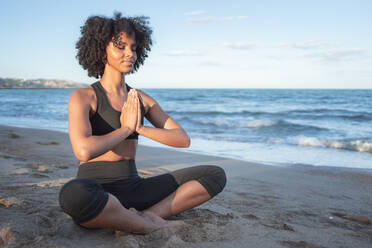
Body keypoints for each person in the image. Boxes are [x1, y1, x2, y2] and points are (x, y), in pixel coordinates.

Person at [58, 12, 226, 234]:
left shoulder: (140, 99)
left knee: (215, 175)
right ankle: (145, 225)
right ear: (101, 50)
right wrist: (125, 129)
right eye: (121, 46)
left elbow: (182, 139)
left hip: (134, 189)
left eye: (134, 47)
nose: (130, 54)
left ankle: (147, 216)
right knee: (72, 194)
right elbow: (83, 150)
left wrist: (139, 128)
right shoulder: (83, 96)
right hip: (96, 188)